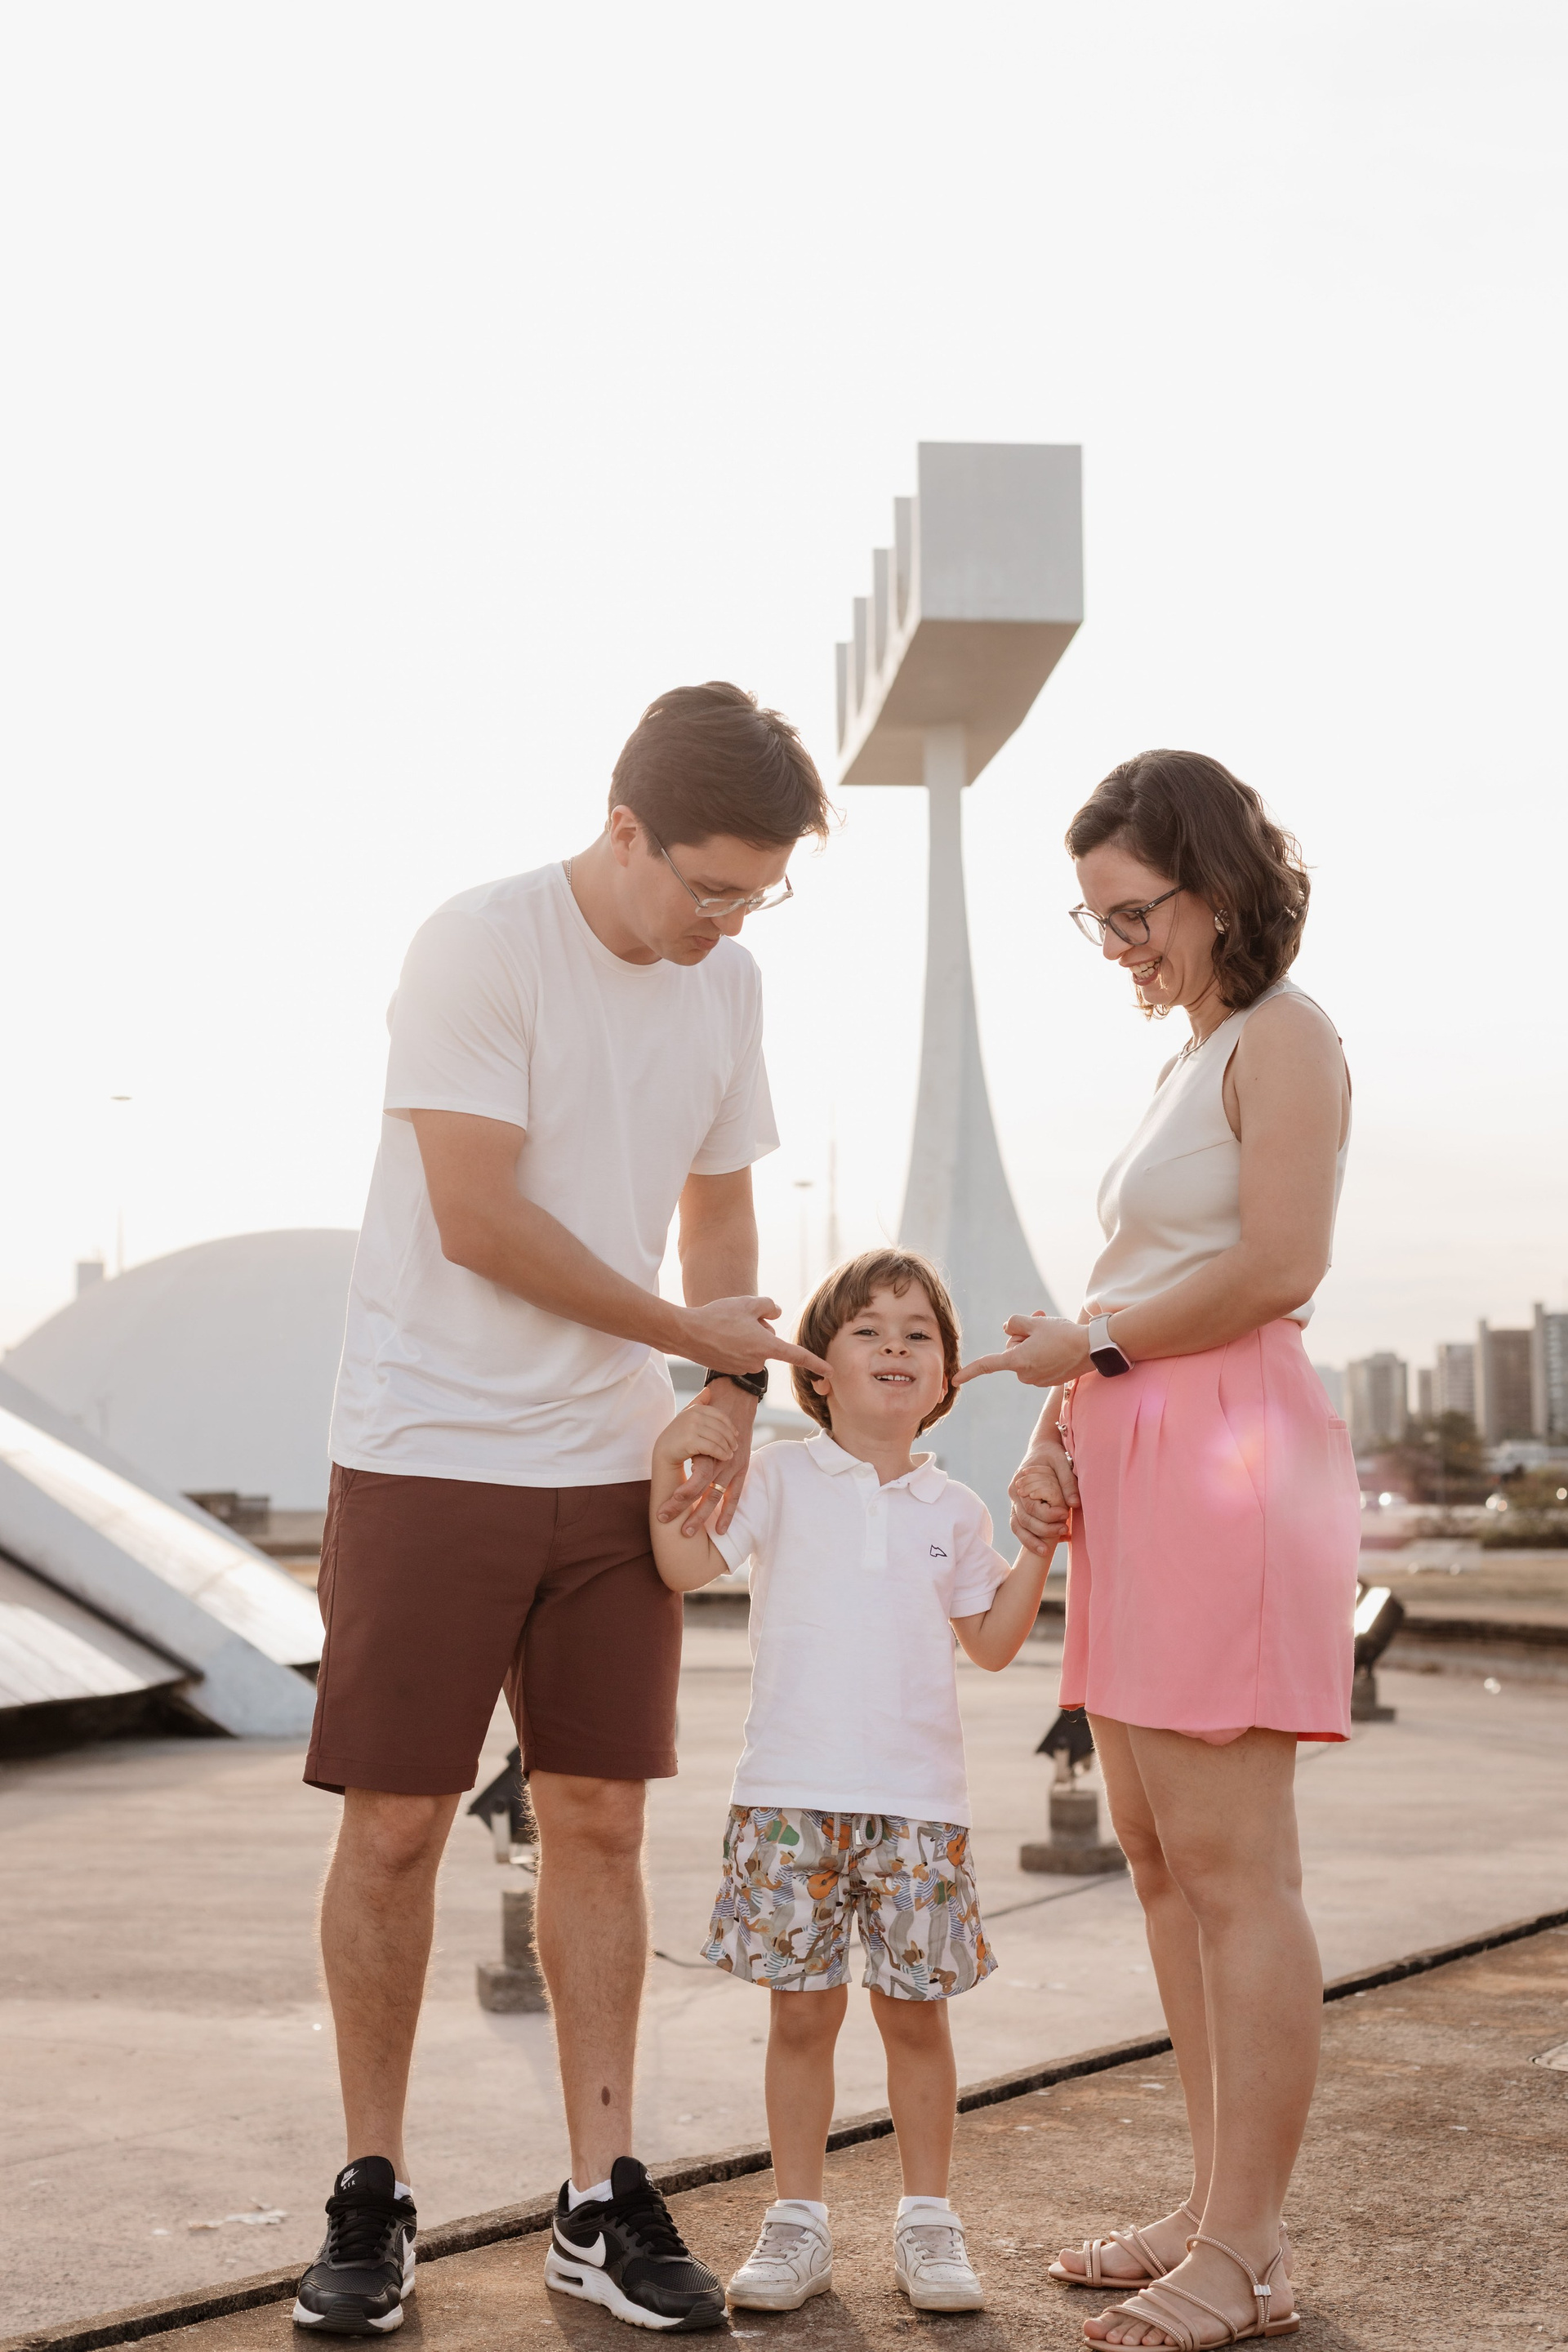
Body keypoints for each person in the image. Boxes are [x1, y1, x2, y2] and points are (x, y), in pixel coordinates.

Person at [292, 683, 836, 2338]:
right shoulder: (480, 946)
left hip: (613, 1462)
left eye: (758, 896)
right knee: (398, 1824)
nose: (731, 921)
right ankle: (372, 2192)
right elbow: (475, 1217)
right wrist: (685, 1333)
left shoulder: (726, 982)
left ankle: (600, 2198)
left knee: (600, 1817)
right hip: (429, 1443)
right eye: (714, 886)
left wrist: (725, 1395)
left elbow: (722, 1215)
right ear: (624, 831)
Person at [956, 751, 1356, 2350]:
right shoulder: (1192, 1056)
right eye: (1097, 921)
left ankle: (1248, 2252)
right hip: (1137, 1456)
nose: (1118, 946)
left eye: (1135, 913)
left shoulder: (1286, 1037)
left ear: (1220, 885)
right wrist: (1059, 1432)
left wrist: (1098, 1353)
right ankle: (1211, 2208)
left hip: (1226, 1460)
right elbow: (1138, 1280)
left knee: (1236, 1866)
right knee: (1157, 1853)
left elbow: (1277, 1264)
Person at [644, 1250, 1054, 2319]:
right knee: (801, 2017)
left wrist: (1041, 1550)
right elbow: (683, 1566)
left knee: (917, 2019)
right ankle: (798, 2223)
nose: (895, 1348)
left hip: (922, 1806)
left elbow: (994, 1643)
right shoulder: (775, 1476)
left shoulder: (955, 1508)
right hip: (789, 1797)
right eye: (867, 1330)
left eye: (920, 1334)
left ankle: (929, 2221)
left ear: (947, 1376)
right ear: (818, 1369)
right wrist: (670, 1459)